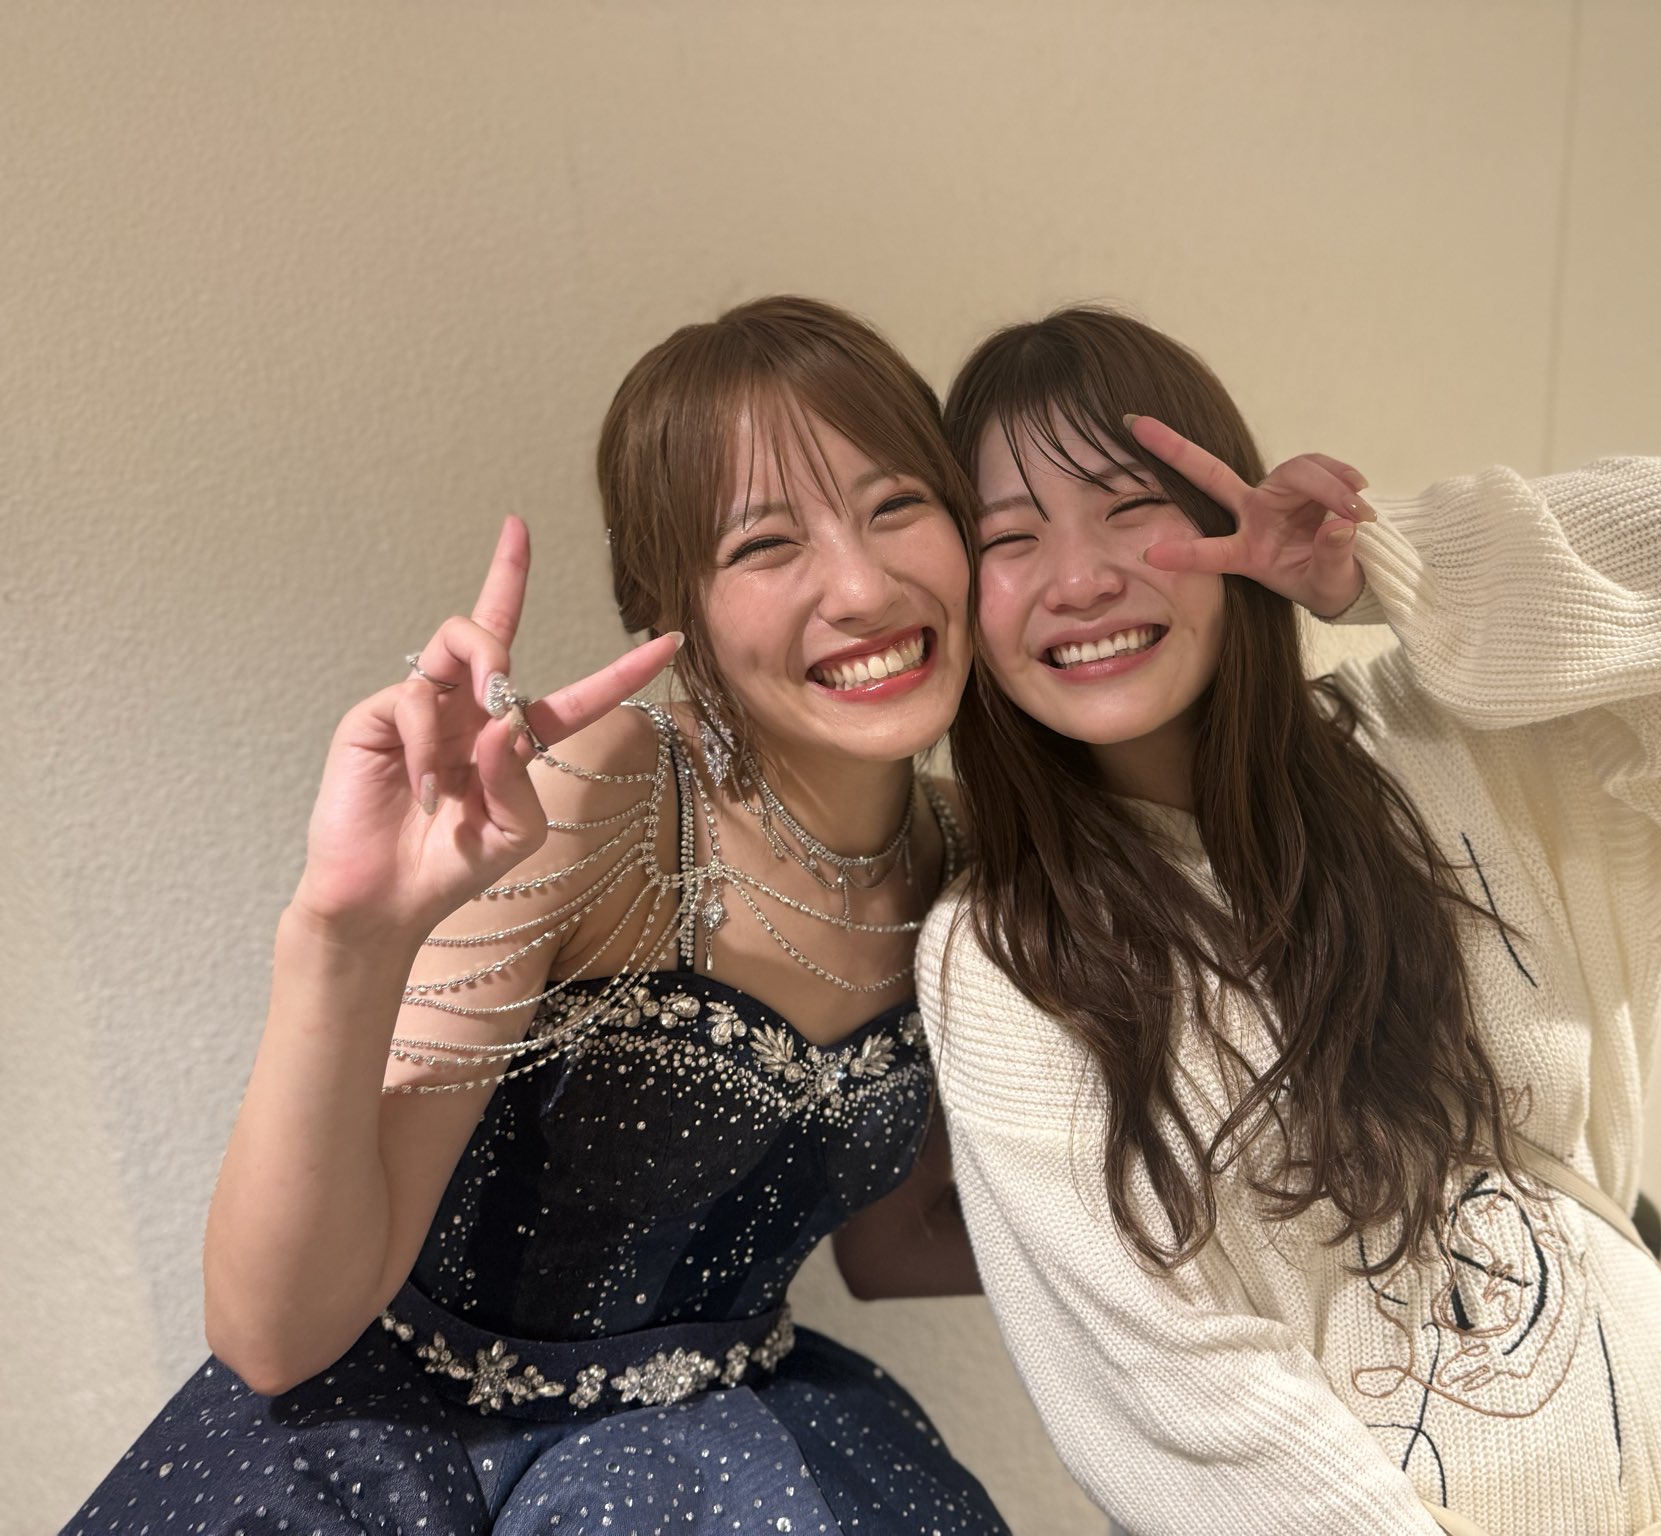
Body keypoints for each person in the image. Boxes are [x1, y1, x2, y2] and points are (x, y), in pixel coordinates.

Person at [66, 297, 1008, 1535]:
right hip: (411, 1458)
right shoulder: (604, 795)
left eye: (895, 506)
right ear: (668, 608)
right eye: (765, 543)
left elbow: (892, 1252)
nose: (862, 585)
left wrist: (1207, 1239)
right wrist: (344, 934)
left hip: (743, 1453)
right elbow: (273, 1338)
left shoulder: (967, 860)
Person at [917, 306, 1661, 1535]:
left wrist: (1387, 567)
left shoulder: (1429, 751)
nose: (1080, 577)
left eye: (1129, 507)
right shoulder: (1002, 954)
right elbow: (1180, 1389)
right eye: (1010, 536)